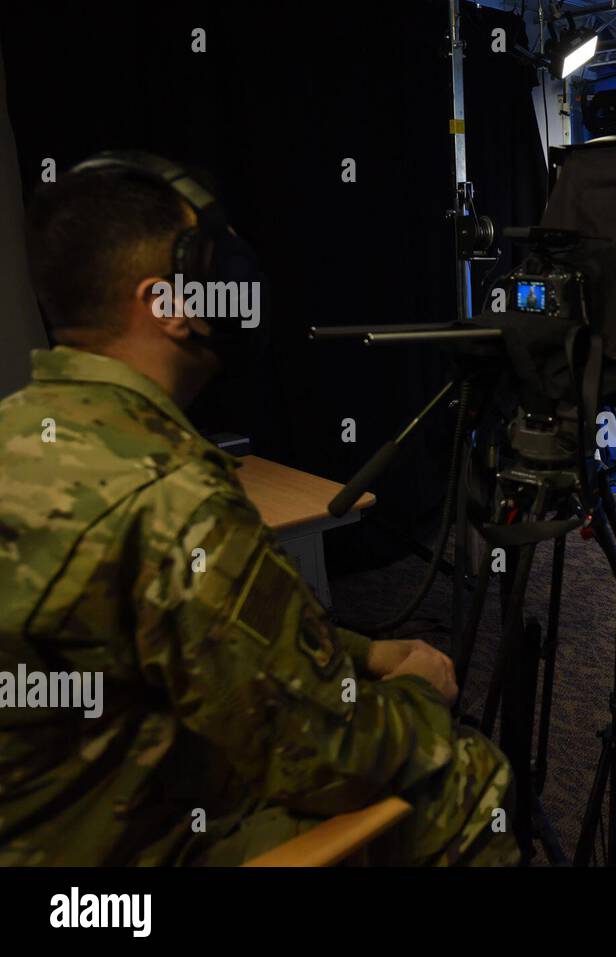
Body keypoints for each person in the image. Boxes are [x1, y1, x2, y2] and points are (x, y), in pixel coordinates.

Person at [0, 153, 519, 865]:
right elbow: (331, 755)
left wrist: (362, 653)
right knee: (467, 780)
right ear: (167, 303)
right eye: (221, 268)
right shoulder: (174, 500)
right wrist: (422, 695)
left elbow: (200, 635)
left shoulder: (23, 430)